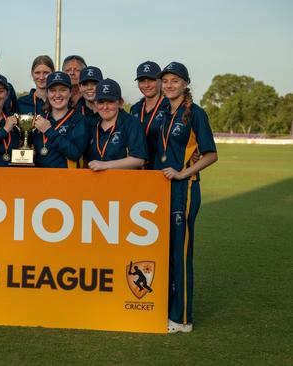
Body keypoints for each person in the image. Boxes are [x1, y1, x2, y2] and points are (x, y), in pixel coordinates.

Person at [154, 62, 218, 333]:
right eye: (165, 81)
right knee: (165, 253)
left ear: (185, 83)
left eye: (174, 81)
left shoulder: (195, 114)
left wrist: (183, 173)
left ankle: (182, 320)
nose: (169, 85)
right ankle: (167, 310)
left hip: (185, 190)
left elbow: (211, 154)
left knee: (180, 254)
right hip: (160, 191)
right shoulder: (164, 114)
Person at [85, 78, 147, 171]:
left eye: (110, 102)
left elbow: (139, 160)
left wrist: (105, 165)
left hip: (124, 182)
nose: (105, 107)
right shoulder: (91, 123)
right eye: (101, 102)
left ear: (120, 102)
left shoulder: (131, 123)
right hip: (94, 183)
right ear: (95, 103)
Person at [31, 71, 88, 168]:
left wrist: (49, 131)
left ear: (70, 93)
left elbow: (75, 153)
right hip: (39, 179)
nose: (57, 95)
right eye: (53, 90)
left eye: (62, 90)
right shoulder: (39, 119)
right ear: (47, 93)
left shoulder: (79, 120)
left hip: (67, 180)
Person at [130, 61, 170, 169]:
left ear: (160, 81)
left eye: (151, 80)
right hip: (139, 171)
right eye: (142, 81)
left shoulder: (170, 107)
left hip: (164, 170)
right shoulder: (135, 109)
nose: (146, 85)